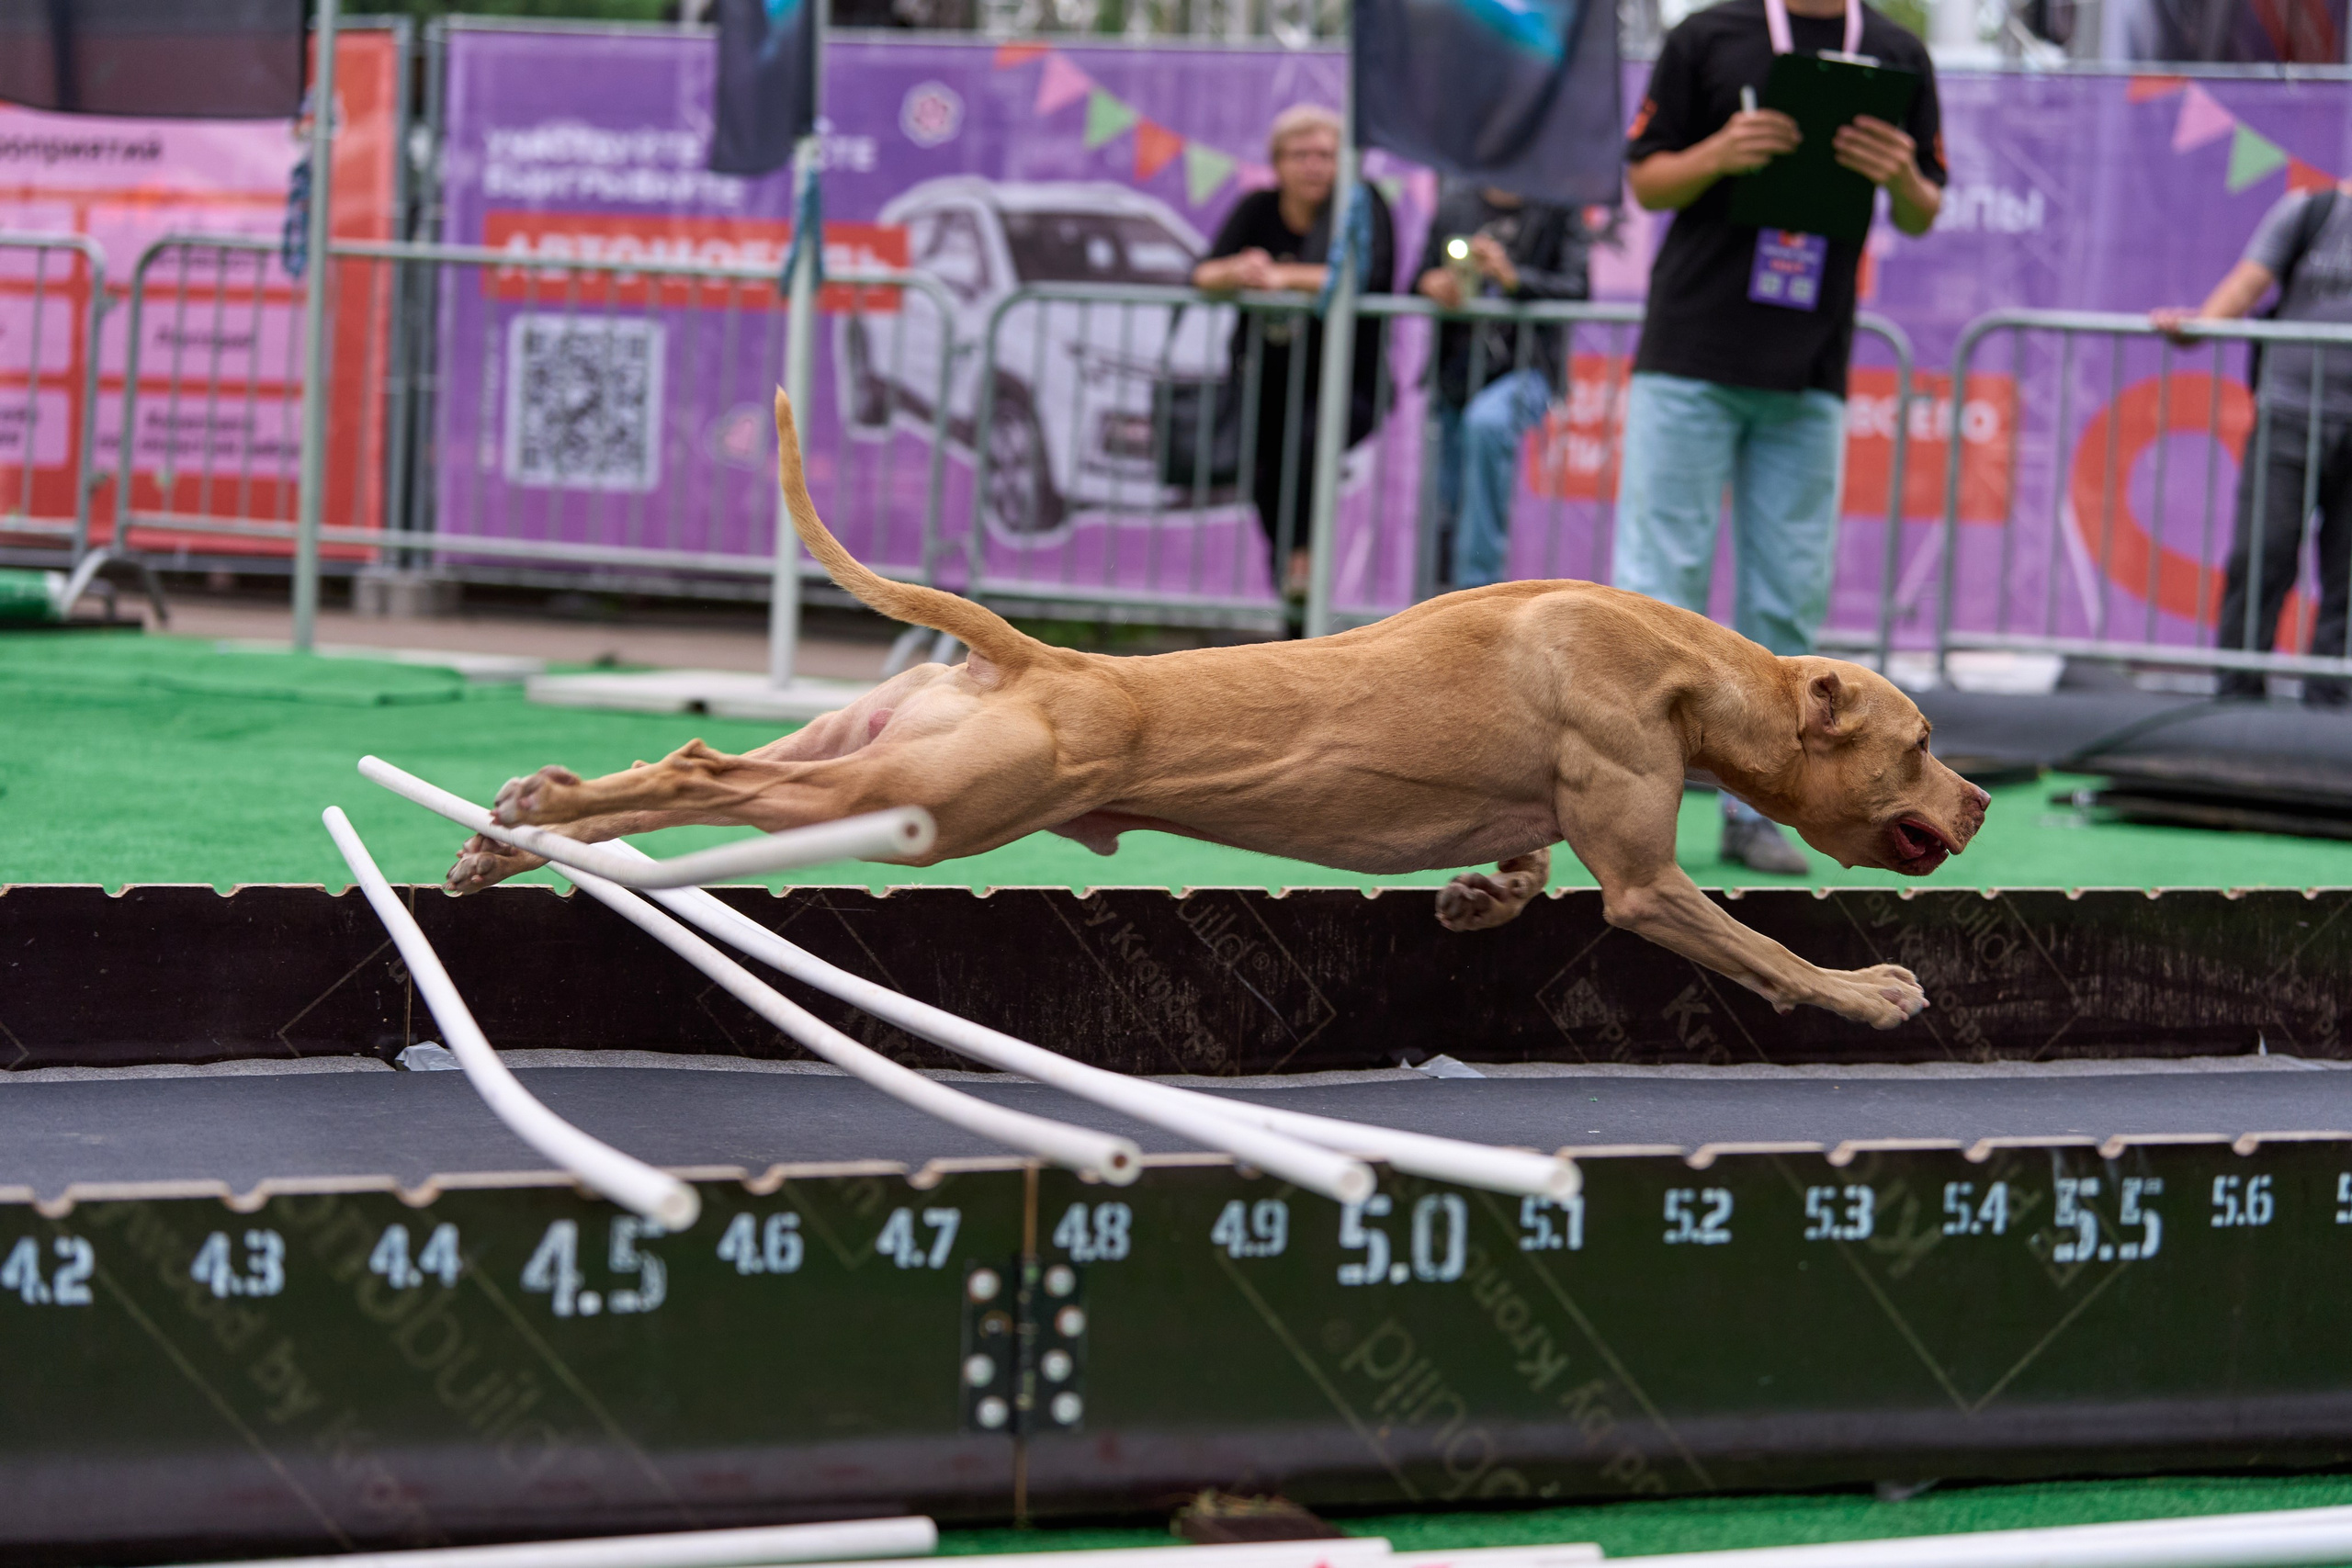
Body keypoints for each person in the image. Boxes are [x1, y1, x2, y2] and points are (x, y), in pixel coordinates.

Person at [1615, 0, 1944, 874]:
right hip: (1689, 353)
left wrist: (1900, 174)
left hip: (1810, 365)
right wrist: (1722, 152)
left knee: (1789, 604)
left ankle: (1755, 813)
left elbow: (1923, 209)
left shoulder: (1895, 50)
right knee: (1653, 597)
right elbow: (1648, 181)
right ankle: (1628, 808)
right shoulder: (1706, 35)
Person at [1193, 104, 1396, 623]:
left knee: (1307, 445)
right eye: (1300, 154)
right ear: (1277, 162)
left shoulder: (1362, 205)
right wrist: (1240, 269)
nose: (1314, 165)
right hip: (1265, 383)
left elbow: (1366, 276)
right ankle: (1293, 595)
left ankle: (1303, 561)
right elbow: (1203, 273)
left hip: (1348, 383)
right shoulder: (1258, 208)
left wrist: (1283, 277)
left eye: (1326, 155)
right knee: (1266, 479)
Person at [2153, 182, 2352, 706]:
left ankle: (2332, 700)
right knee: (2263, 553)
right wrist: (2195, 329)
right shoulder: (2312, 212)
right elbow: (2246, 285)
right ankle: (2237, 694)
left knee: (2347, 574)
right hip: (2289, 413)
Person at [1414, 183, 1591, 590]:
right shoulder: (1456, 204)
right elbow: (1417, 277)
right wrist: (1432, 283)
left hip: (1528, 368)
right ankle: (1436, 605)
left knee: (1487, 424)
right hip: (1455, 373)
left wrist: (1513, 278)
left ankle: (1476, 596)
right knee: (1446, 500)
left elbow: (1578, 288)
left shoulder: (1558, 206)